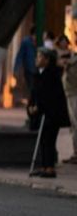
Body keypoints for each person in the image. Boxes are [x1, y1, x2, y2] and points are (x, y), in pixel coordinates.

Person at [28, 48, 69, 177]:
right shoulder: (38, 74)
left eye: (40, 57)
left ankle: (50, 167)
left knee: (49, 140)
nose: (37, 59)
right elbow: (35, 93)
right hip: (41, 113)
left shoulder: (52, 75)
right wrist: (31, 106)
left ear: (47, 60)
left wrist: (39, 107)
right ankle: (44, 166)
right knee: (43, 140)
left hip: (51, 114)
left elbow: (50, 96)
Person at [61, 38, 77, 164]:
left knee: (75, 125)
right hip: (70, 94)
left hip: (74, 95)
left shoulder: (73, 62)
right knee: (73, 126)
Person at [14, 27, 37, 102]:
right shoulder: (26, 42)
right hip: (29, 67)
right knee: (30, 85)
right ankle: (32, 101)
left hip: (37, 68)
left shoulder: (41, 41)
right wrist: (17, 68)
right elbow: (20, 55)